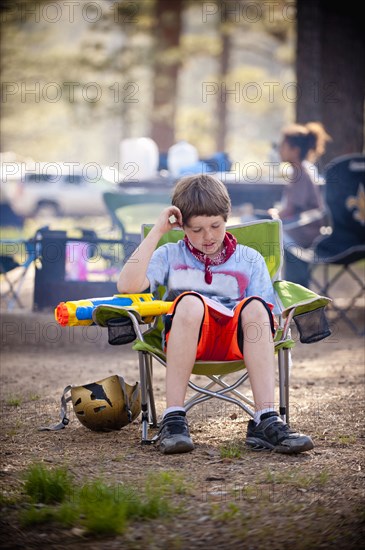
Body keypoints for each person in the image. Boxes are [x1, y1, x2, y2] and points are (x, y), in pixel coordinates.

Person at [117, 174, 314, 455]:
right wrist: (158, 231)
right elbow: (127, 286)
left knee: (258, 307)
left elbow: (268, 318)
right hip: (187, 340)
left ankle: (266, 419)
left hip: (236, 343)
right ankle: (173, 418)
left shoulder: (249, 259)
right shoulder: (170, 254)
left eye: (215, 226)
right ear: (181, 225)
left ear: (227, 217)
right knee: (189, 304)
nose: (207, 237)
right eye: (196, 229)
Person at [269, 122, 332, 286]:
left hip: (305, 233)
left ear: (295, 150)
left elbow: (291, 209)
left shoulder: (300, 173)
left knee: (269, 235)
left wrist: (274, 215)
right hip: (300, 228)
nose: (280, 150)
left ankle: (291, 288)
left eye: (283, 145)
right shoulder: (300, 171)